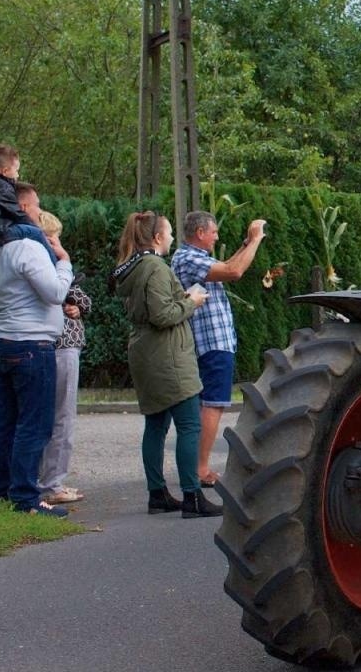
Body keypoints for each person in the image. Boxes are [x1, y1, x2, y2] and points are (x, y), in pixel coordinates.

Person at [112, 211, 219, 518]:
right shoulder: (155, 267)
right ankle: (192, 497)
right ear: (157, 238)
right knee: (189, 425)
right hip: (168, 354)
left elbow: (150, 308)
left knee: (156, 425)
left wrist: (180, 298)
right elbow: (162, 316)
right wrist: (192, 302)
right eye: (170, 233)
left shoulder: (131, 267)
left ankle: (157, 493)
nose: (173, 238)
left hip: (144, 351)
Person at [0, 179, 74, 517]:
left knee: (4, 419)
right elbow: (54, 293)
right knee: (34, 424)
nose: (39, 211)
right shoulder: (28, 247)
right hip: (32, 344)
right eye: (35, 205)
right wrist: (64, 263)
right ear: (20, 208)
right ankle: (25, 499)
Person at [171, 211, 267, 487]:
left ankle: (195, 468)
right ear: (200, 233)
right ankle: (201, 470)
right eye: (213, 232)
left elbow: (225, 265)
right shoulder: (189, 258)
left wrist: (247, 243)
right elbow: (234, 271)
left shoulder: (191, 256)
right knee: (212, 404)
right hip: (212, 342)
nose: (216, 236)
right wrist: (257, 240)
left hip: (209, 341)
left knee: (206, 404)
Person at [35, 211, 89, 506]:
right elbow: (59, 295)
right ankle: (51, 483)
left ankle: (48, 479)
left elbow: (82, 298)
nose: (58, 243)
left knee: (53, 416)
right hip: (60, 347)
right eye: (54, 237)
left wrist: (77, 307)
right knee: (61, 417)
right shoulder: (49, 267)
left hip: (59, 346)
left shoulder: (52, 267)